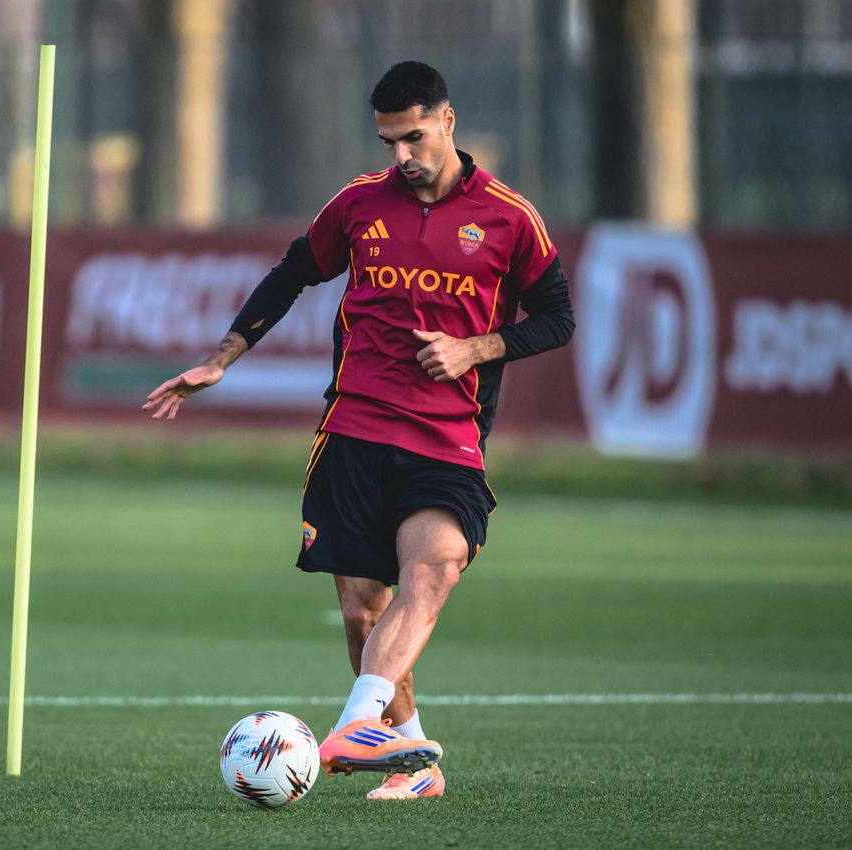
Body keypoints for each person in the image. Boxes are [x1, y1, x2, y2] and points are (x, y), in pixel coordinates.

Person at [143, 61, 574, 801]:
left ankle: (353, 727)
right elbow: (289, 275)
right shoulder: (357, 206)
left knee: (433, 567)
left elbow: (556, 317)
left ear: (446, 120)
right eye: (387, 143)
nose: (400, 157)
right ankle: (415, 761)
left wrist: (475, 348)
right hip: (354, 426)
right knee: (361, 611)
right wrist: (221, 359)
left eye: (411, 137)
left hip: (449, 437)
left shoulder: (508, 216)